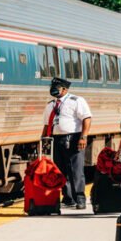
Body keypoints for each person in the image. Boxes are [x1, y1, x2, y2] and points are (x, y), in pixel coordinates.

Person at [42, 77, 93, 209]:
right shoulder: (51, 104)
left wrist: (84, 136)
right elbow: (47, 124)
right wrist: (43, 140)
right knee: (60, 170)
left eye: (56, 87)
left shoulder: (76, 101)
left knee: (75, 170)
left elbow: (86, 118)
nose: (53, 89)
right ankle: (68, 197)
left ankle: (80, 198)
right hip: (56, 139)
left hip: (73, 138)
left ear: (65, 89)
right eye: (52, 87)